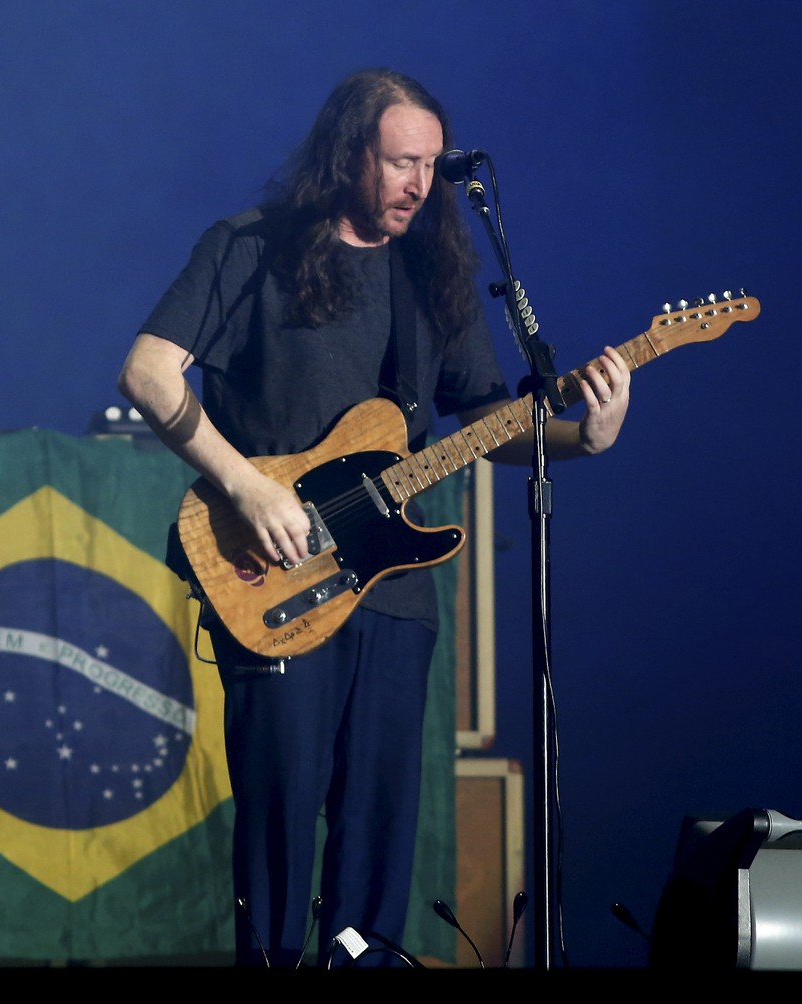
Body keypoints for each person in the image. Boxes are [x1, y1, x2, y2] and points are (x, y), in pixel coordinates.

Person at [117, 67, 630, 967]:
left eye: (431, 164)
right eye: (400, 163)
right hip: (273, 575)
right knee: (280, 825)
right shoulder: (252, 247)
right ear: (348, 155)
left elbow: (486, 423)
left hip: (392, 594)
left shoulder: (429, 273)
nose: (420, 184)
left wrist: (583, 439)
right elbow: (148, 373)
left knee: (378, 832)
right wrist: (247, 487)